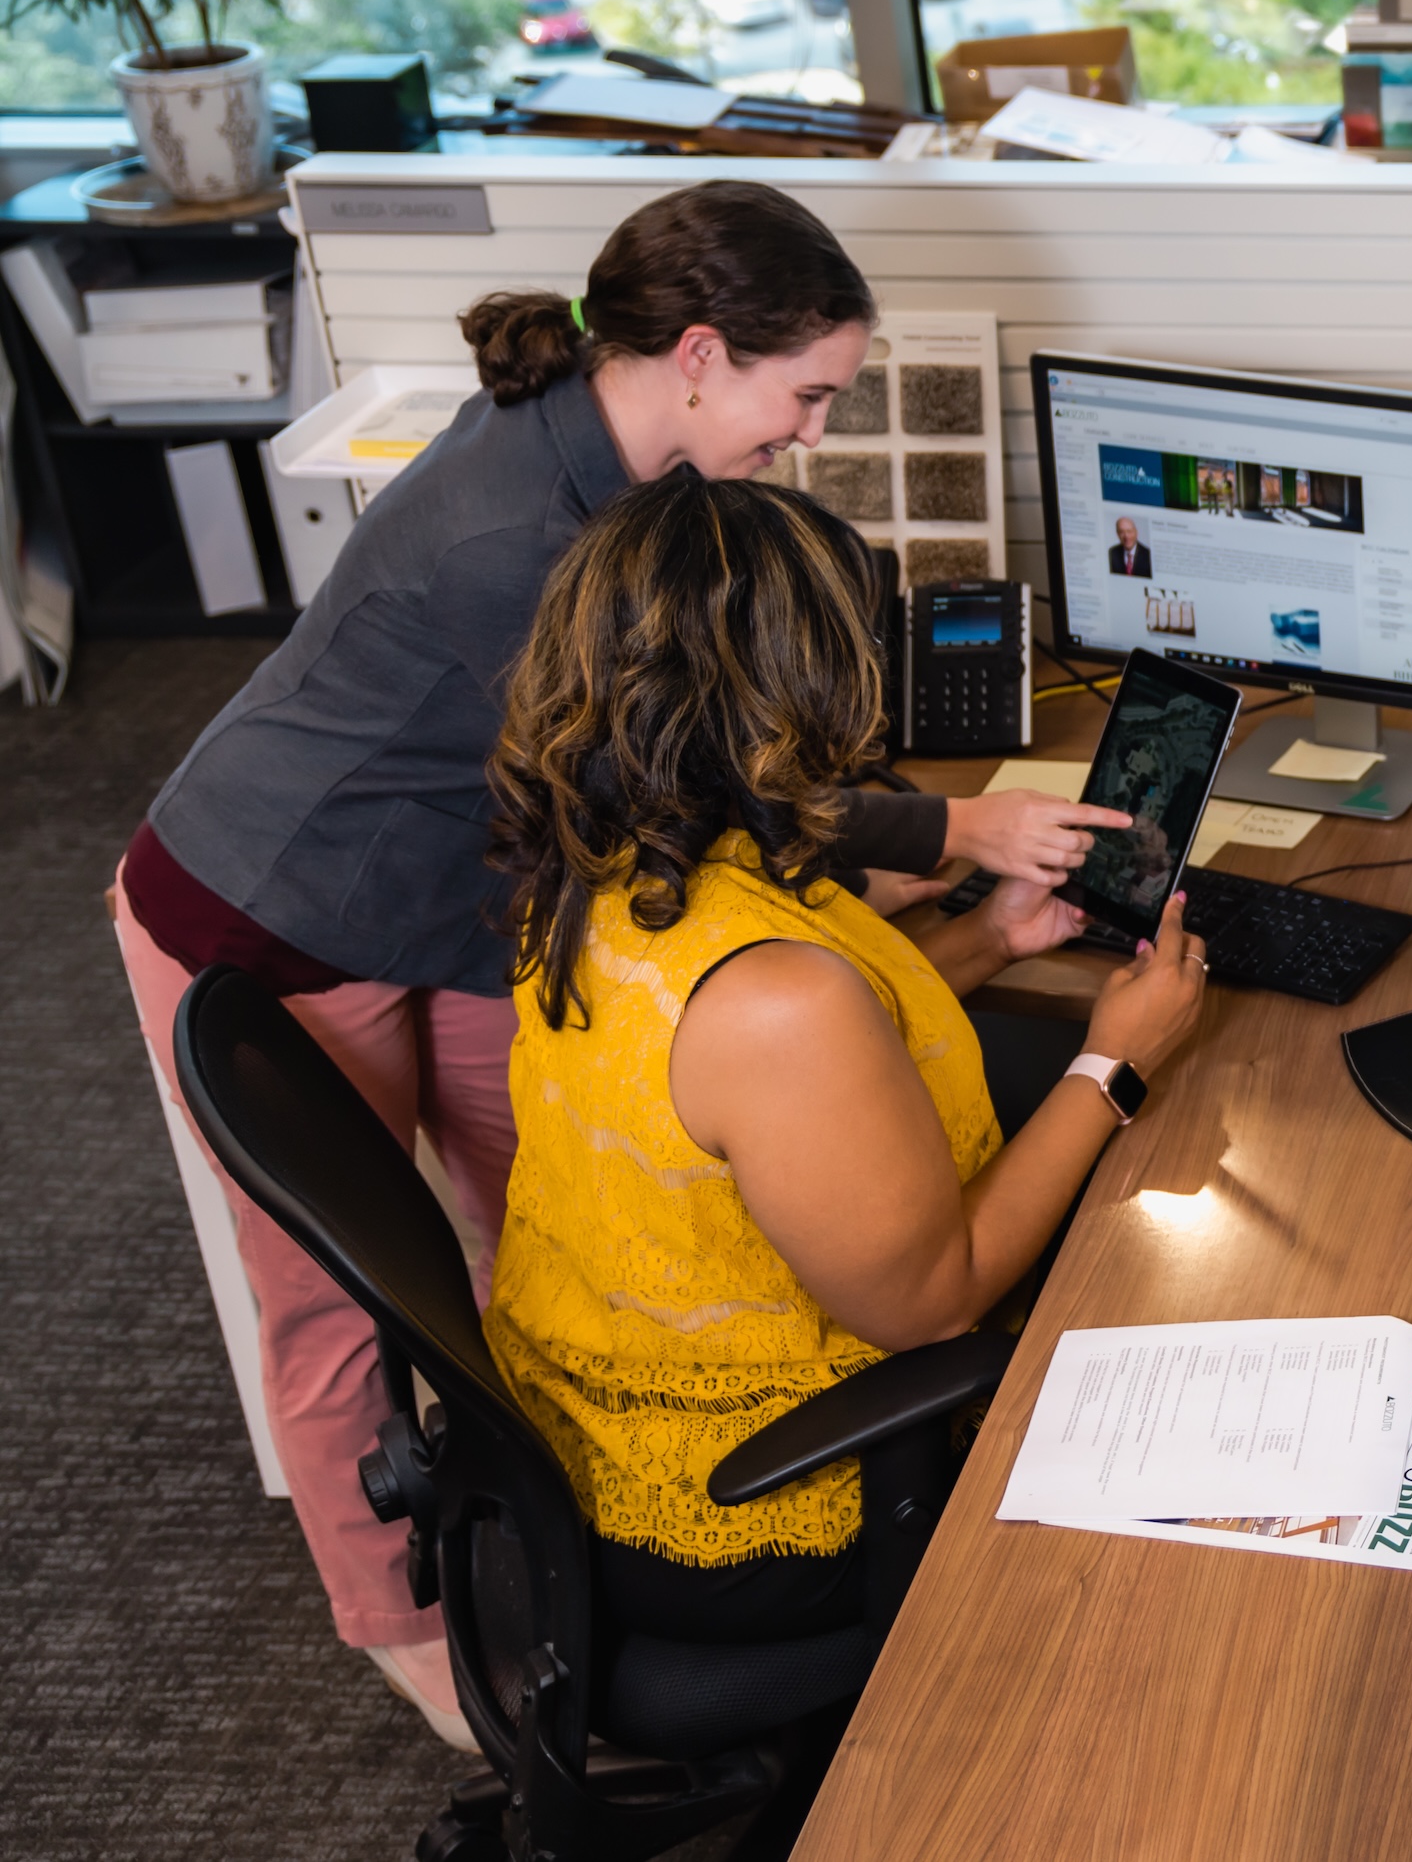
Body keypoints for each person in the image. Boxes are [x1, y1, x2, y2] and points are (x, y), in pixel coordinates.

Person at [107, 181, 1123, 1746]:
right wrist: (952, 831)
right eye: (805, 397)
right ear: (702, 355)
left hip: (478, 888)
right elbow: (690, 778)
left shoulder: (628, 479)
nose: (808, 433)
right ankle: (424, 1643)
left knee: (585, 1200)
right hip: (278, 897)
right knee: (343, 1297)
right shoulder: (518, 539)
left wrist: (960, 870)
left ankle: (595, 1523)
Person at [481, 479, 1206, 1681]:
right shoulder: (774, 998)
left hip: (583, 1394)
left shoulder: (608, 855)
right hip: (755, 1504)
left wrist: (990, 942)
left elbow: (755, 1089)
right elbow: (935, 1301)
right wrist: (1116, 1061)